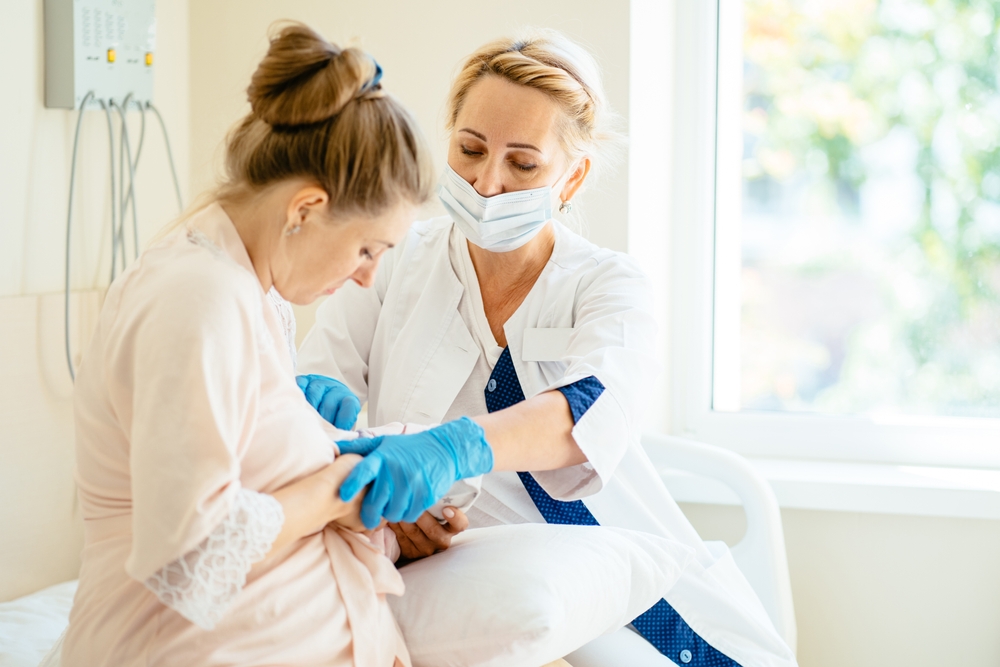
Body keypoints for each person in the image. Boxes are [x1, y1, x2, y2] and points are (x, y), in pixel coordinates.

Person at [298, 30, 798, 667]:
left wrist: (452, 449)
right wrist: (375, 502)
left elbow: (591, 412)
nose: (487, 182)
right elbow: (317, 396)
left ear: (573, 176)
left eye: (524, 164)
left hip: (618, 573)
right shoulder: (390, 262)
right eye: (470, 149)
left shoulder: (608, 286)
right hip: (451, 582)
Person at [61, 23, 491, 667]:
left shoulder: (251, 293)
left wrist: (381, 515)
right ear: (305, 210)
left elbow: (247, 486)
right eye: (367, 249)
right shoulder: (198, 298)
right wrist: (344, 487)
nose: (368, 276)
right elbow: (193, 551)